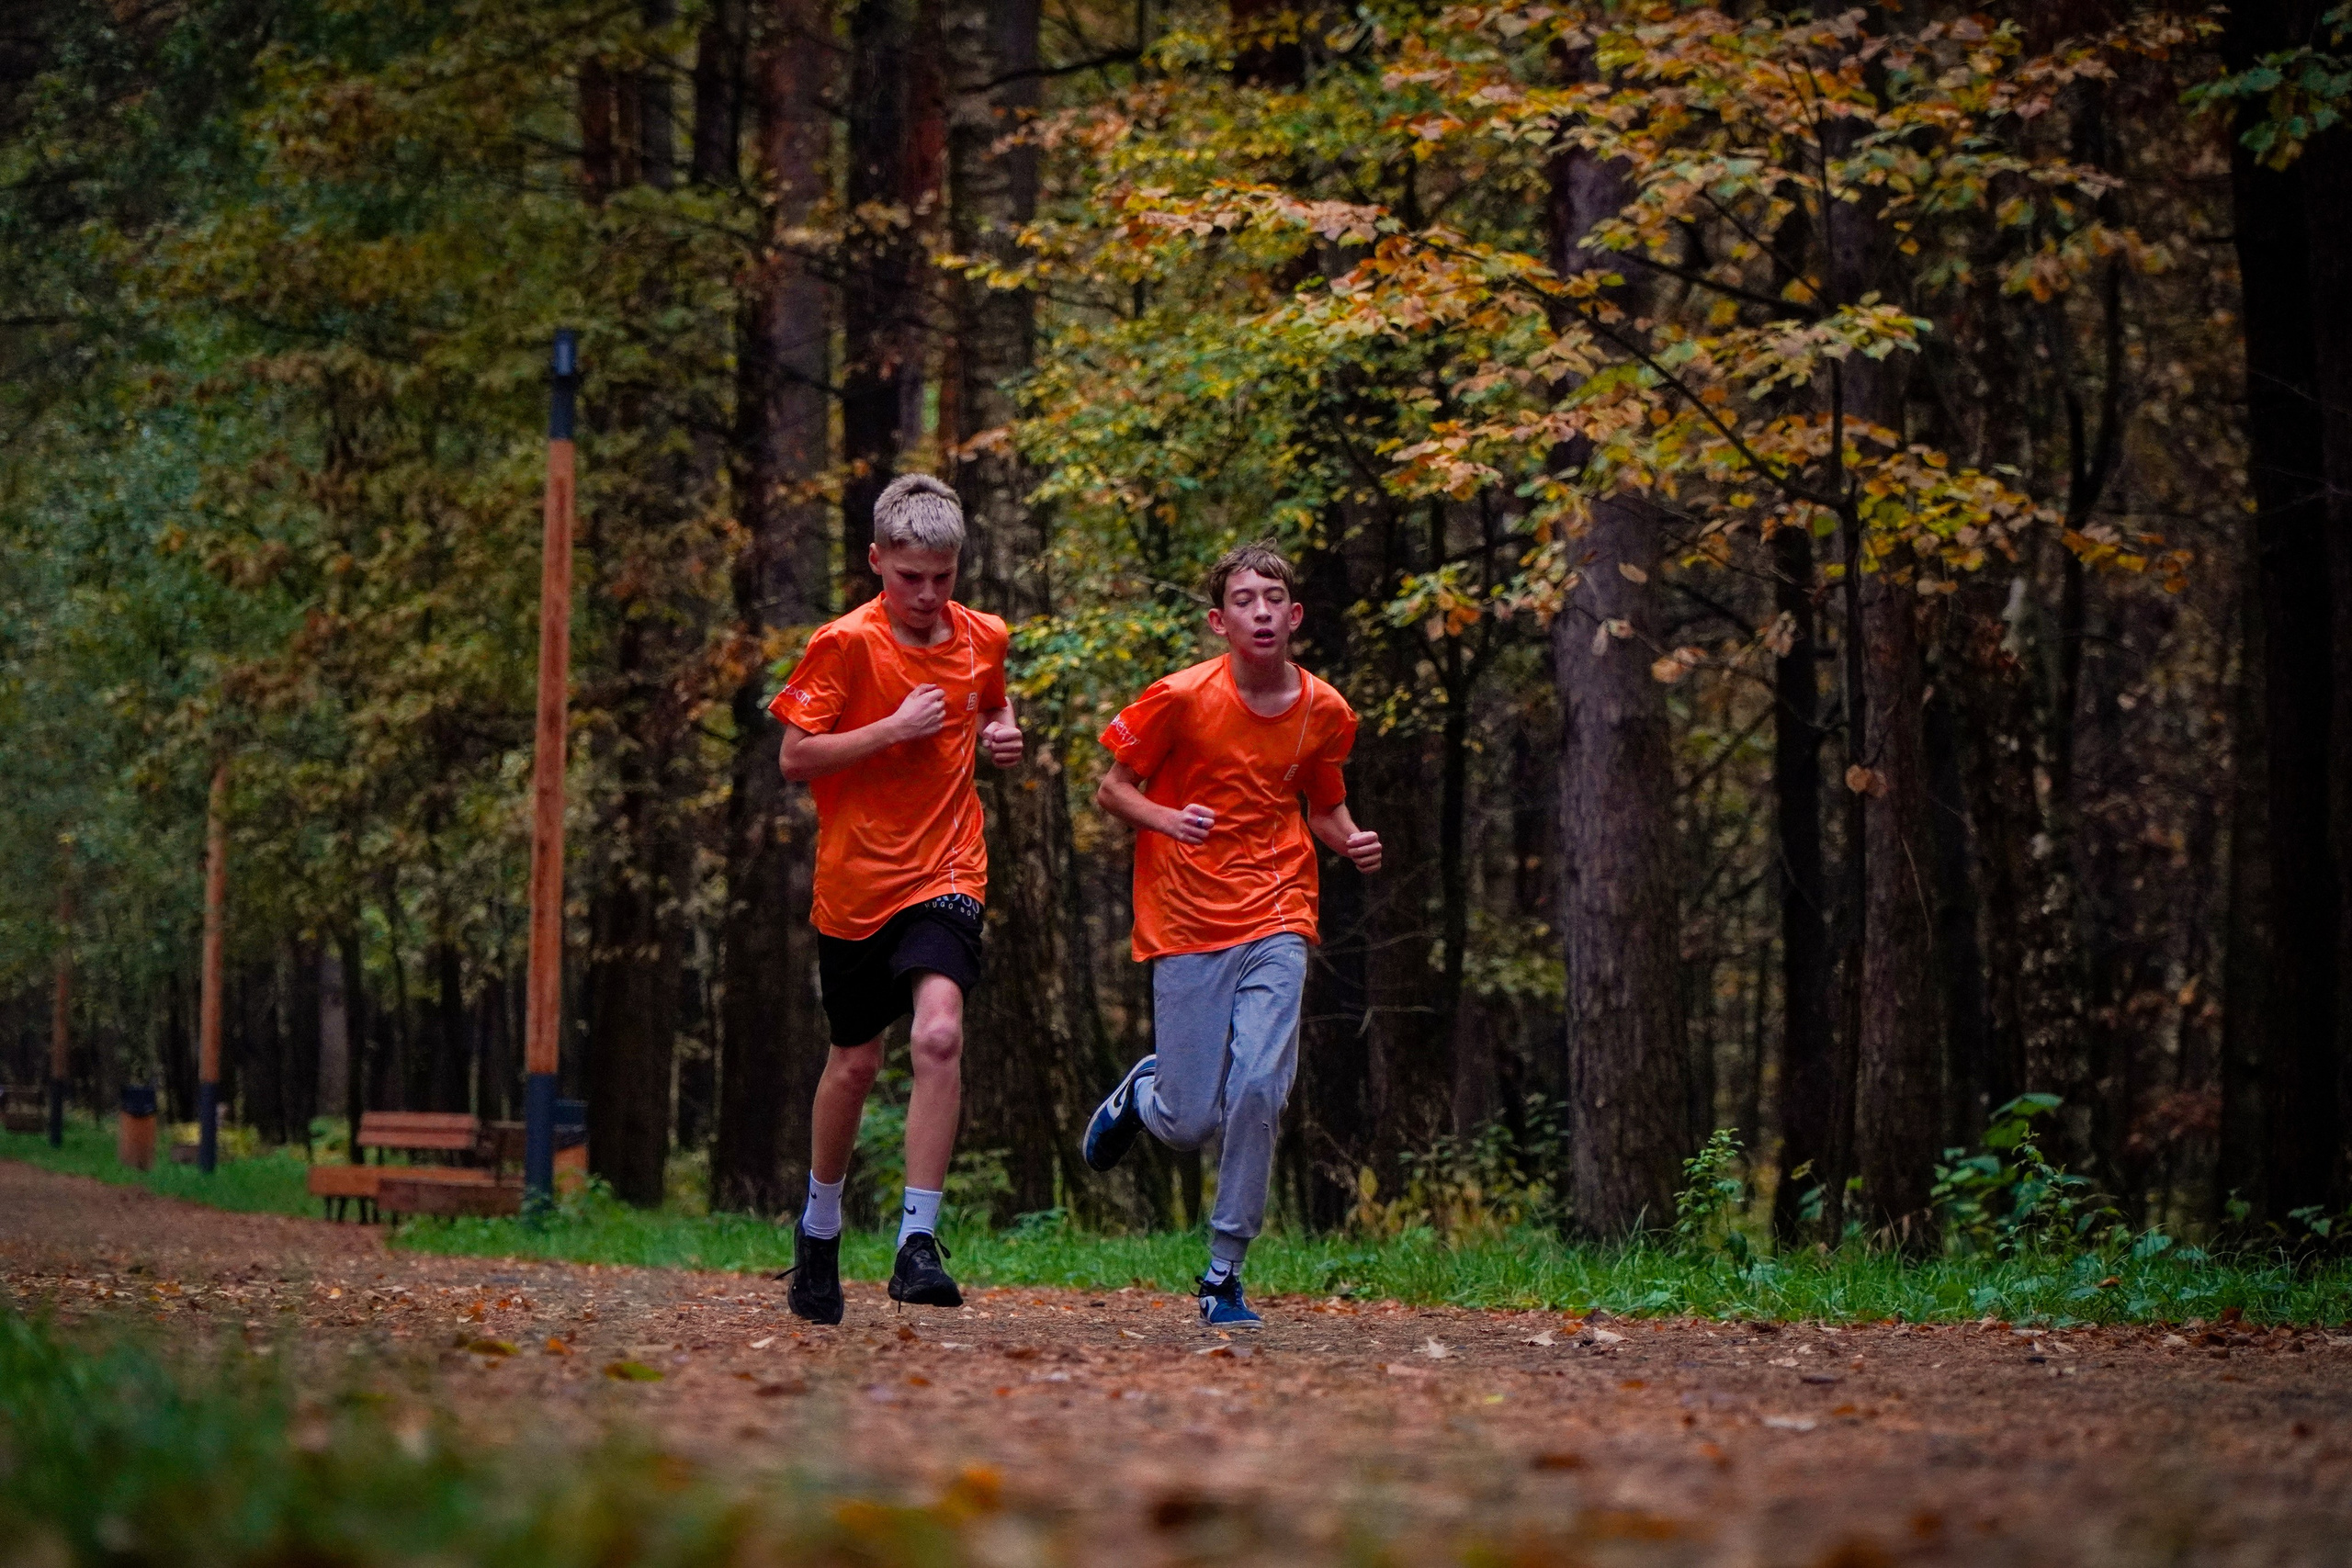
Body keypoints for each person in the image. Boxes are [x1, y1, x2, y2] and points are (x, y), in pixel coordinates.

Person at [1081, 541, 1381, 1327]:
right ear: (1221, 621)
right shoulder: (1178, 698)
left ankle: (1224, 1271)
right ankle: (1146, 1095)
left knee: (1259, 1084)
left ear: (1294, 615)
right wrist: (1168, 818)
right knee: (1189, 1122)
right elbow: (1113, 789)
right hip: (1185, 915)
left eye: (1272, 598)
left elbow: (1323, 803)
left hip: (1279, 908)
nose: (1260, 611)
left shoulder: (1326, 710)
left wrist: (1348, 839)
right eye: (1244, 600)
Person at [769, 473, 1023, 1323]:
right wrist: (891, 730)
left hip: (949, 867)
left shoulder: (983, 636)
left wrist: (1001, 732)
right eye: (909, 576)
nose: (926, 594)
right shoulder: (844, 644)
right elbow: (796, 758)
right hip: (855, 883)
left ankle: (918, 1240)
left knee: (941, 1032)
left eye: (942, 577)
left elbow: (991, 703)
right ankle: (820, 1224)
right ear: (877, 560)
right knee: (856, 1061)